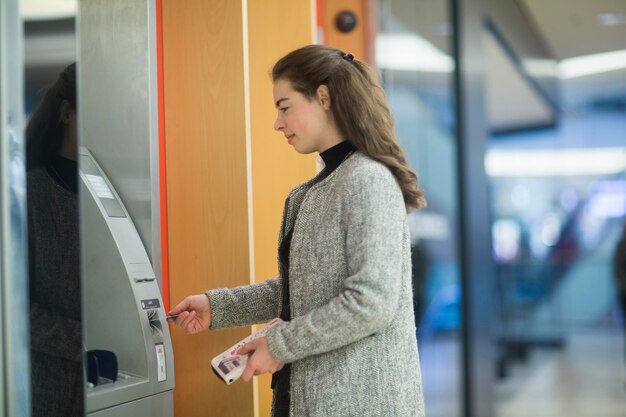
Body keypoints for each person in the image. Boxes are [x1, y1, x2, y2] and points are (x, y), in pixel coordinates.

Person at [169, 45, 427, 417]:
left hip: (361, 402)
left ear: (323, 97)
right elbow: (306, 290)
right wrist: (218, 307)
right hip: (313, 396)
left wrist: (278, 345)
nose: (277, 123)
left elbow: (371, 303)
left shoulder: (367, 180)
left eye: (284, 106)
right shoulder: (315, 189)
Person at [26, 62, 83, 417]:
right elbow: (15, 311)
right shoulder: (28, 192)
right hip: (48, 389)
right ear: (66, 113)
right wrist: (89, 341)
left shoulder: (113, 189)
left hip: (112, 384)